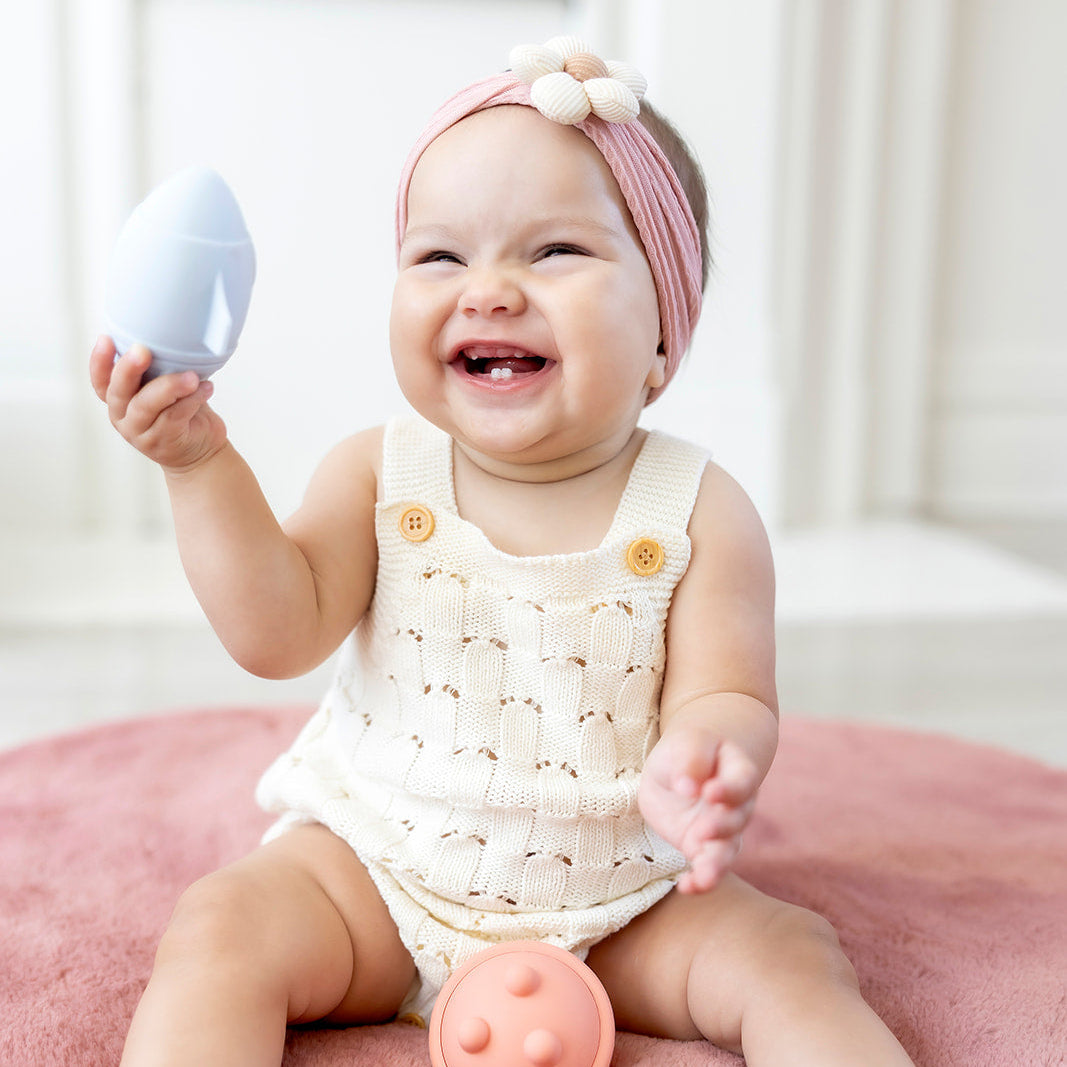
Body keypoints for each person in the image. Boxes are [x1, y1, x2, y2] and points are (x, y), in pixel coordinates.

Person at [90, 37, 915, 1067]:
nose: (486, 290)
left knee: (789, 954)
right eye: (440, 255)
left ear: (665, 328)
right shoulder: (379, 475)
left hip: (622, 900)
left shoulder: (699, 512)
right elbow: (275, 629)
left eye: (552, 252)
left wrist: (711, 755)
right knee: (220, 926)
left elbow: (727, 694)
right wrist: (198, 465)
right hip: (375, 877)